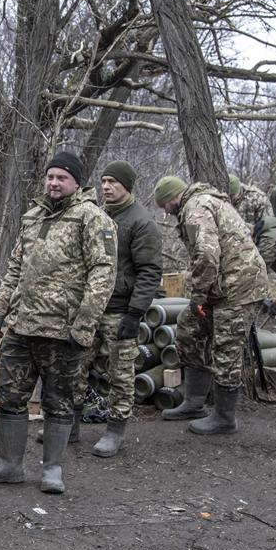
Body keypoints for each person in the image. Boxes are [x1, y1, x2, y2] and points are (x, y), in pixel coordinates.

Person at [0, 151, 117, 494]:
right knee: (10, 397)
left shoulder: (92, 218)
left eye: (62, 177)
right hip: (21, 327)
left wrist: (84, 324)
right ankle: (9, 464)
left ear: (76, 181)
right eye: (50, 176)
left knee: (59, 401)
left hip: (63, 332)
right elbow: (15, 267)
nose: (54, 183)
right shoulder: (33, 216)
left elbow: (103, 274)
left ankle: (52, 469)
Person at [155, 175, 269, 435]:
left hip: (239, 288)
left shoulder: (196, 207)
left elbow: (206, 254)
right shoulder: (201, 203)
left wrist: (198, 297)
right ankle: (194, 402)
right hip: (222, 286)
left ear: (173, 197)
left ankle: (224, 418)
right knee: (188, 327)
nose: (165, 211)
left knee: (226, 348)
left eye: (165, 205)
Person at [83, 160, 163, 458]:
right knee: (77, 366)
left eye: (112, 182)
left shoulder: (141, 222)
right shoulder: (99, 216)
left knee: (121, 373)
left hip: (121, 310)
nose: (106, 187)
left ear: (127, 186)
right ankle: (71, 424)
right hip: (92, 306)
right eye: (103, 181)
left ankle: (115, 430)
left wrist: (134, 314)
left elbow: (150, 272)